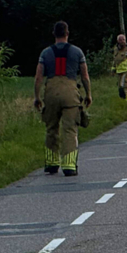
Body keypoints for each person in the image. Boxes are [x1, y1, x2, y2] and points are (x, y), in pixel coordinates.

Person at [33, 21, 91, 176]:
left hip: (51, 92)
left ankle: (51, 163)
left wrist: (37, 97)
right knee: (70, 130)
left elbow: (38, 77)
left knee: (51, 128)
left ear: (54, 34)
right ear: (67, 33)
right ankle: (69, 165)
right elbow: (84, 76)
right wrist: (88, 94)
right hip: (70, 92)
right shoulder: (77, 52)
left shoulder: (45, 53)